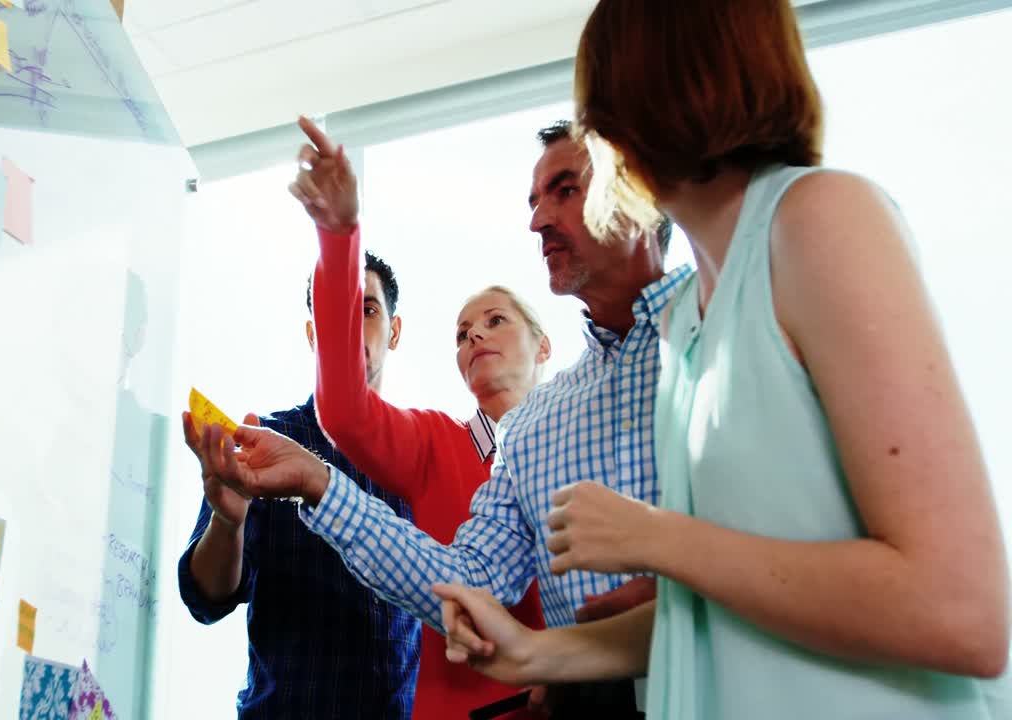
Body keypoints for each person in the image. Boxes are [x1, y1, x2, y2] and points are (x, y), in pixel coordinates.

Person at [430, 2, 1011, 719]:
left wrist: (657, 538)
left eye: (602, 108)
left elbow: (961, 611)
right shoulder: (692, 322)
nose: (599, 134)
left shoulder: (819, 219)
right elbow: (716, 607)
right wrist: (533, 653)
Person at [192, 118, 689, 718]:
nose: (536, 220)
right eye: (461, 332)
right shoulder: (522, 434)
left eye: (565, 190)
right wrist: (317, 483)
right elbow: (468, 577)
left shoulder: (731, 327)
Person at [289, 116, 547, 718]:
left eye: (496, 320)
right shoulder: (434, 441)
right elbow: (346, 411)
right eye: (462, 332)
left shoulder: (581, 436)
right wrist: (338, 235)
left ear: (543, 345)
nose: (475, 334)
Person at [176, 252, 421, 719]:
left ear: (394, 331)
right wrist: (228, 520)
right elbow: (205, 599)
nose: (350, 326)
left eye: (367, 310)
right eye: (333, 312)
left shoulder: (419, 458)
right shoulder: (265, 445)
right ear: (314, 334)